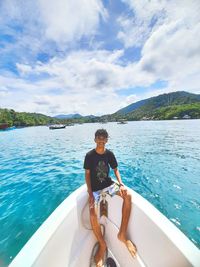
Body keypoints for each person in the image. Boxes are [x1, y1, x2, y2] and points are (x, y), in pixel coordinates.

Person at [84, 129, 137, 266]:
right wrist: (90, 193)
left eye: (104, 138)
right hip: (95, 189)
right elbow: (88, 175)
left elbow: (115, 170)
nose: (101, 140)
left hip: (108, 184)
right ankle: (102, 244)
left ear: (107, 140)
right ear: (94, 139)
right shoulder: (89, 155)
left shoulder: (110, 154)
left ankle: (122, 234)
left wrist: (121, 183)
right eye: (99, 138)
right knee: (92, 212)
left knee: (128, 196)